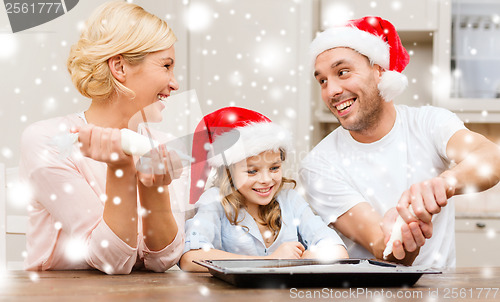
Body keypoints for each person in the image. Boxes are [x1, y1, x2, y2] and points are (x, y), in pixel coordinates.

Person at [300, 16, 500, 268]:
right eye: (322, 81)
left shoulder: (429, 122)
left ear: (379, 72)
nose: (331, 91)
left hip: (441, 289)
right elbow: (382, 247)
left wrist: (443, 184)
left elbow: (490, 158)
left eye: (342, 72)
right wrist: (402, 238)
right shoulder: (318, 166)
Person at [20, 1, 186, 274]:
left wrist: (154, 188)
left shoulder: (163, 145)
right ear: (119, 67)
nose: (175, 83)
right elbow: (111, 260)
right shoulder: (48, 141)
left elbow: (163, 260)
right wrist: (120, 170)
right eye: (166, 66)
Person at [179, 107, 348, 272]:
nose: (266, 180)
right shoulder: (214, 201)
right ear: (228, 172)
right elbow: (190, 258)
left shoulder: (290, 200)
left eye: (274, 168)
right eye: (252, 171)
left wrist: (313, 256)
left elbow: (339, 251)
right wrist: (268, 261)